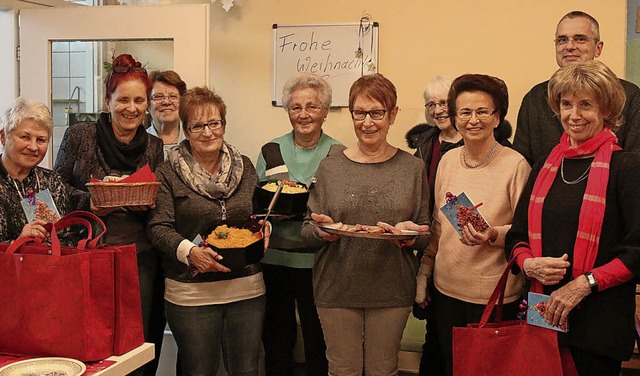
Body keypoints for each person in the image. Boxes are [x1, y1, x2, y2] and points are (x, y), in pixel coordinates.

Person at [506, 60, 640, 376]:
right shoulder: (543, 166)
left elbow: (637, 250)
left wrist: (584, 283)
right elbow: (517, 236)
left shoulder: (627, 168)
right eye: (566, 104)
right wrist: (528, 263)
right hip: (543, 317)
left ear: (606, 110)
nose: (574, 115)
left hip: (597, 329)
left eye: (585, 105)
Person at [300, 73, 431, 376]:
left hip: (391, 289)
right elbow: (307, 230)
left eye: (377, 113)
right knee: (342, 369)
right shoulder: (330, 166)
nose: (368, 122)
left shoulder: (412, 168)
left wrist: (411, 235)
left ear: (393, 114)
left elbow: (425, 231)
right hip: (336, 288)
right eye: (360, 113)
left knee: (383, 370)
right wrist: (323, 230)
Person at [53, 54, 165, 376]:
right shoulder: (80, 136)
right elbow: (57, 189)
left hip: (139, 256)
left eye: (139, 100)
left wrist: (148, 201)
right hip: (88, 253)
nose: (131, 108)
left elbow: (160, 198)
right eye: (123, 99)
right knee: (91, 338)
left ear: (147, 105)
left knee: (136, 339)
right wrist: (92, 202)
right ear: (108, 100)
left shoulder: (155, 147)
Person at [414, 74, 531, 376]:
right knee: (449, 366)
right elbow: (440, 226)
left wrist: (494, 234)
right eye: (465, 112)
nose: (473, 120)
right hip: (446, 290)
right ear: (454, 118)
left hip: (493, 297)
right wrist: (425, 273)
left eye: (483, 111)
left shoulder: (516, 165)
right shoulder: (448, 161)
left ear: (497, 117)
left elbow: (528, 232)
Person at [148, 86, 266, 375]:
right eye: (197, 125)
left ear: (224, 126)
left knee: (247, 370)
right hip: (190, 292)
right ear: (186, 131)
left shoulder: (245, 166)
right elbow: (157, 226)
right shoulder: (167, 172)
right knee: (197, 370)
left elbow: (257, 214)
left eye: (214, 123)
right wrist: (190, 253)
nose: (208, 132)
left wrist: (266, 228)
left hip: (246, 288)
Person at [256, 72, 339, 376]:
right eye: (296, 107)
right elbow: (257, 202)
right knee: (277, 338)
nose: (303, 114)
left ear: (325, 111)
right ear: (288, 111)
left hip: (319, 262)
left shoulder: (339, 153)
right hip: (274, 259)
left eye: (312, 107)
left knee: (320, 340)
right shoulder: (270, 150)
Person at [514, 10, 640, 165]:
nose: (569, 46)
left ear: (598, 48)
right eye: (562, 40)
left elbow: (636, 163)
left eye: (580, 39)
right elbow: (522, 162)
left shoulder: (629, 95)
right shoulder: (535, 97)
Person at [0, 97, 70, 243]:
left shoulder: (53, 182)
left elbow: (68, 239)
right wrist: (18, 242)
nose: (33, 147)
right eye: (25, 137)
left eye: (40, 140)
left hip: (48, 265)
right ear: (3, 137)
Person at [147, 70, 187, 158]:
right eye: (158, 96)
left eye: (173, 96)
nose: (166, 102)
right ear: (148, 104)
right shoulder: (139, 143)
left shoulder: (193, 140)